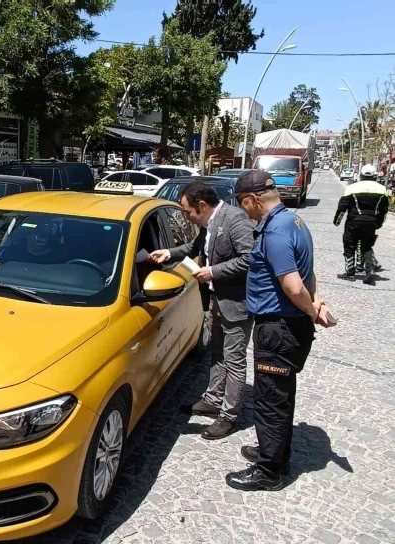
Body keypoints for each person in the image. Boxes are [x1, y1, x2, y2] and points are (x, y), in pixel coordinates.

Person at [227, 170, 334, 492]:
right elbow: (309, 273)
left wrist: (312, 308)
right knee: (280, 395)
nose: (244, 212)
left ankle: (269, 471)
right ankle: (273, 451)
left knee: (271, 399)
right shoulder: (295, 222)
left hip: (278, 328)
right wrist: (316, 303)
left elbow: (292, 284)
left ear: (254, 199)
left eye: (243, 205)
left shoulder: (274, 232)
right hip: (289, 325)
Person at [148, 181, 255, 440]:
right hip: (215, 299)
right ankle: (213, 399)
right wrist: (168, 253)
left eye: (187, 211)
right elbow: (195, 249)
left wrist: (212, 271)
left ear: (202, 206)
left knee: (234, 360)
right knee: (217, 353)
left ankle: (229, 416)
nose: (186, 216)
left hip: (236, 303)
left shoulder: (235, 220)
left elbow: (250, 258)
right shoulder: (207, 224)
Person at [334, 164, 388, 285]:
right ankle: (369, 270)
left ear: (361, 175)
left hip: (353, 222)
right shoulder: (381, 189)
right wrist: (378, 223)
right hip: (371, 222)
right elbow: (384, 210)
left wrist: (337, 221)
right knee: (367, 247)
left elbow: (342, 207)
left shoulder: (352, 188)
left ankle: (350, 273)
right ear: (374, 175)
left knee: (349, 245)